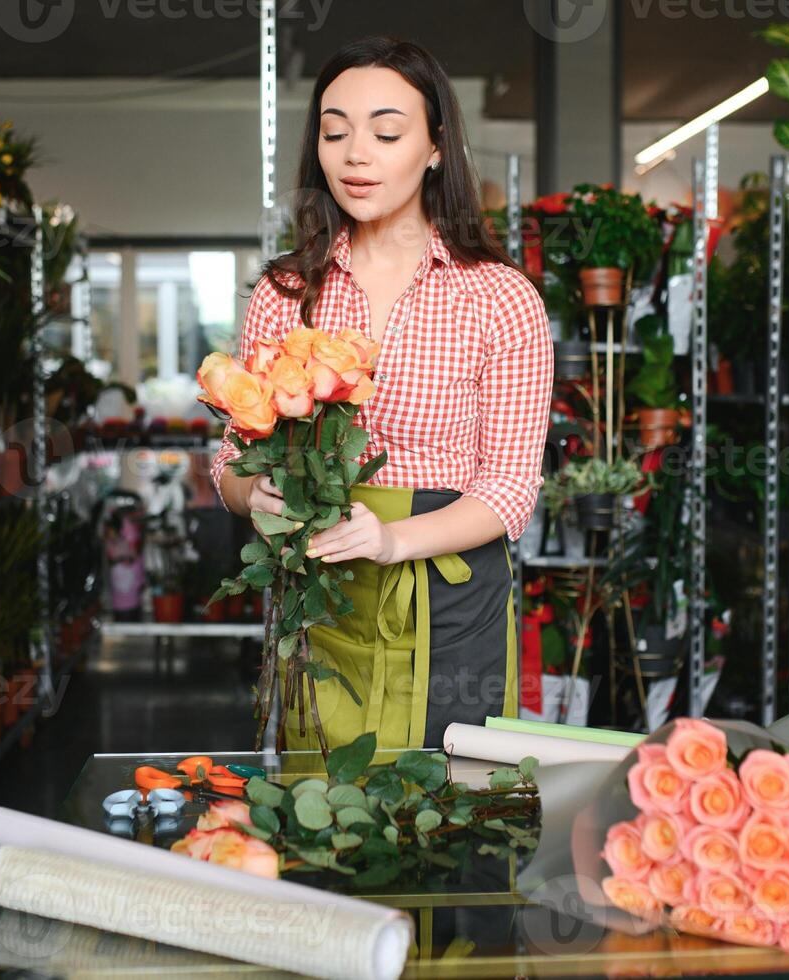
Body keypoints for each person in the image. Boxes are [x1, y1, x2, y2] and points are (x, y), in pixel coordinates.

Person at [210, 36, 553, 752]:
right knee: (323, 807)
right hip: (321, 582)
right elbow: (232, 459)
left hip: (451, 589)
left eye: (386, 131)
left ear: (434, 147)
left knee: (455, 809)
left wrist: (394, 538)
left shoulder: (499, 297)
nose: (355, 154)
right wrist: (256, 496)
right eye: (335, 132)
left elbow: (511, 487)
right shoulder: (285, 293)